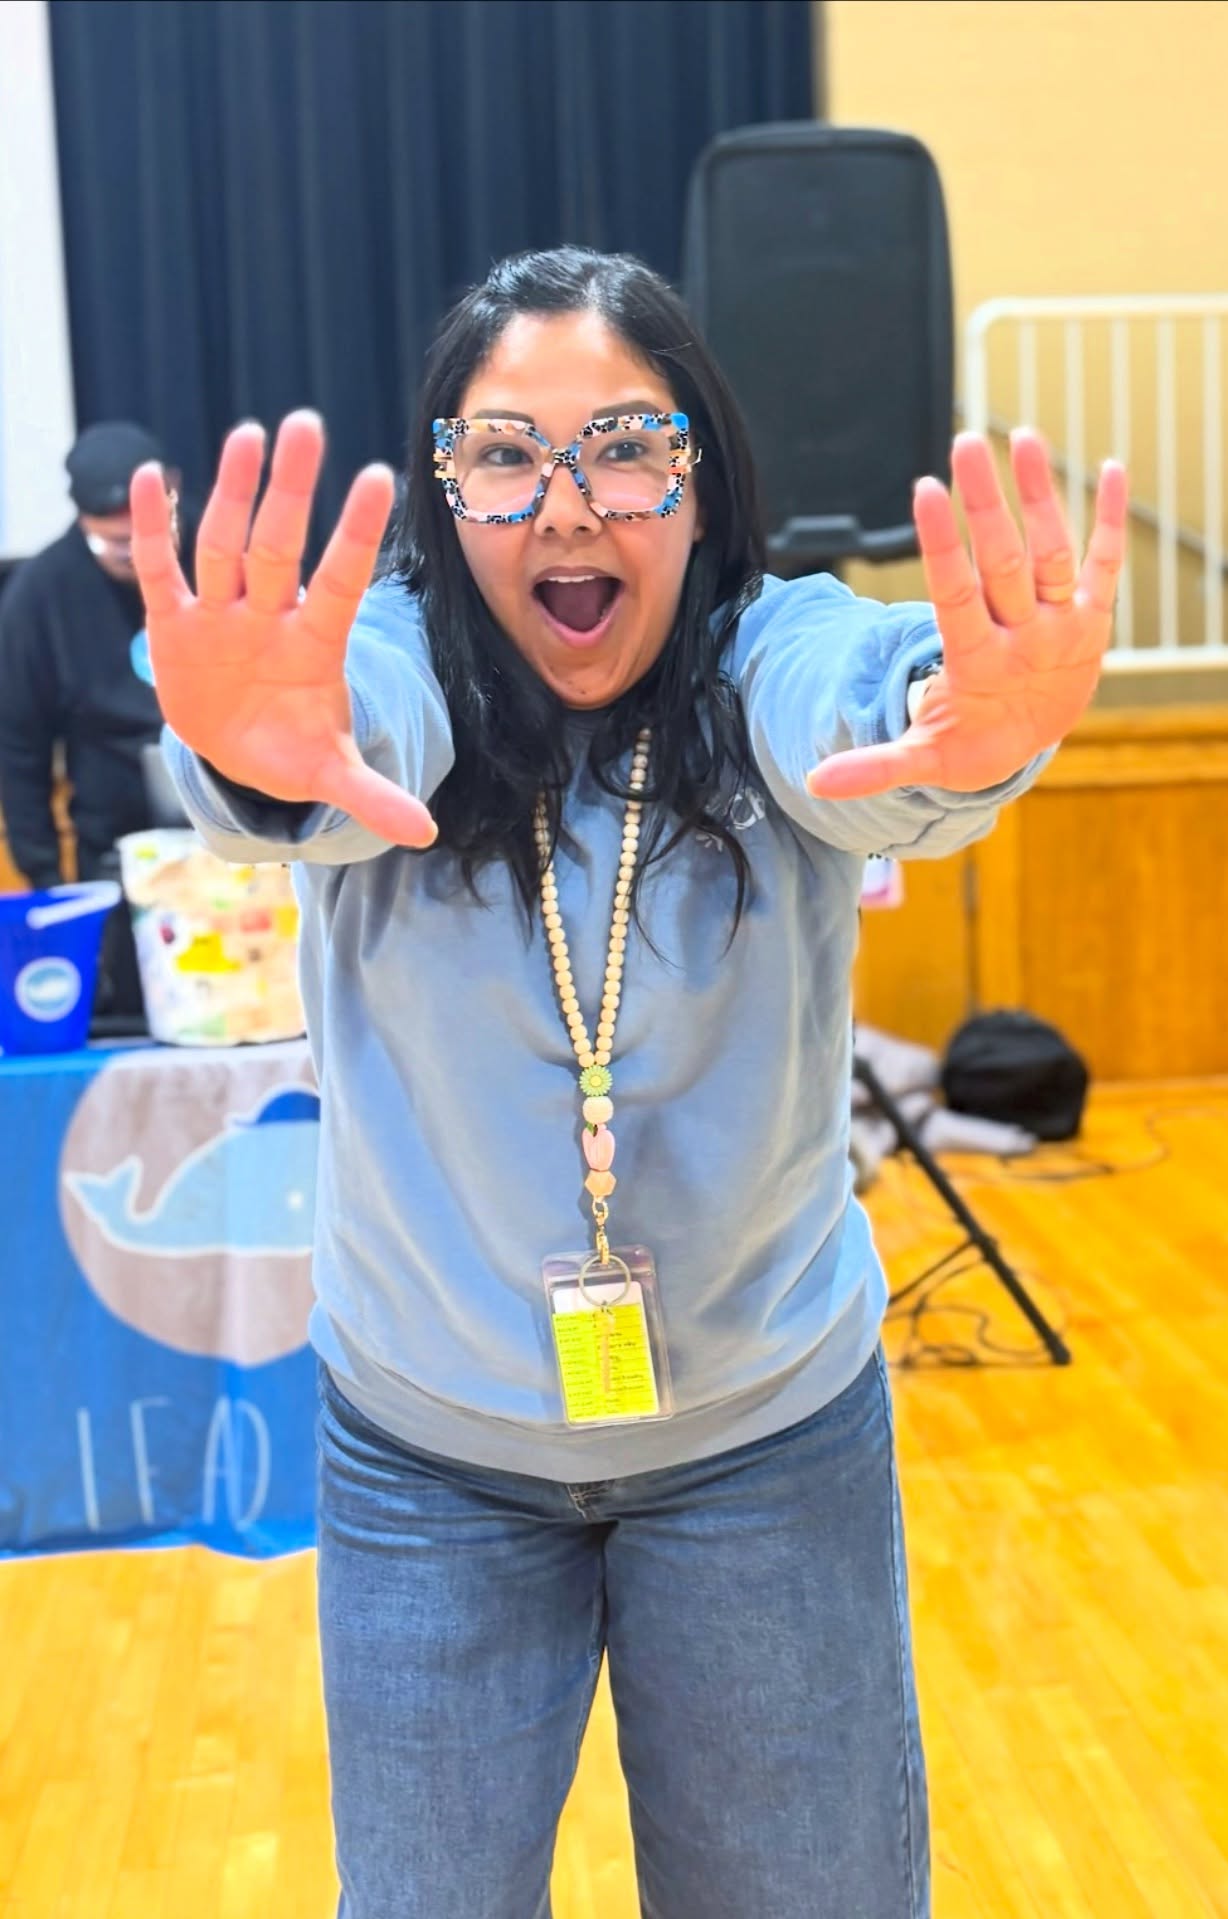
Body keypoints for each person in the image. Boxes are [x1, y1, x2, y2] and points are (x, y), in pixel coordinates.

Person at [130, 248, 1128, 1919]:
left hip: (766, 1450)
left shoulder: (763, 654)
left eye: (624, 446)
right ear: (443, 492)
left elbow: (864, 715)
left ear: (699, 473)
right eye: (506, 453)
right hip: (426, 1459)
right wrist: (252, 751)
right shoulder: (388, 669)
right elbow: (323, 746)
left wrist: (962, 726)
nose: (567, 504)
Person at [0, 420, 182, 1020]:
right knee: (135, 1007)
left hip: (235, 820)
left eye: (148, 538)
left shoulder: (217, 551)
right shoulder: (39, 594)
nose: (134, 557)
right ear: (83, 524)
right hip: (115, 839)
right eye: (116, 545)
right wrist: (49, 877)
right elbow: (18, 746)